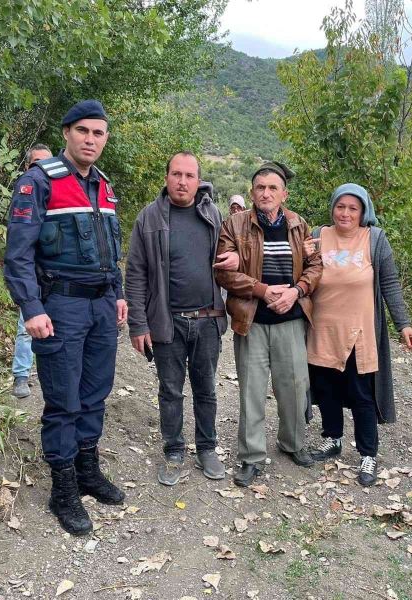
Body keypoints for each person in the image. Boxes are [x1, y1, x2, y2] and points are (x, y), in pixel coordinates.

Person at [4, 100, 128, 536]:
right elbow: (17, 256)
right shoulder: (38, 183)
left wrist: (116, 294)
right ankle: (63, 489)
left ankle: (88, 471)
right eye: (83, 132)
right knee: (64, 400)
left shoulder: (105, 188)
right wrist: (32, 308)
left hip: (100, 307)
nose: (91, 139)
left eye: (98, 133)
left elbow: (111, 252)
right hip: (60, 308)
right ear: (67, 134)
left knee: (96, 393)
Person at [125, 152, 239, 486]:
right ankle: (174, 450)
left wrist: (234, 257)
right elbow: (135, 274)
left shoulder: (212, 214)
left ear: (198, 180)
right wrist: (138, 323)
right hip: (167, 322)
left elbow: (228, 254)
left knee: (206, 388)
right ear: (166, 177)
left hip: (207, 320)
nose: (182, 181)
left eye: (189, 175)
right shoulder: (148, 218)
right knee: (171, 390)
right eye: (176, 174)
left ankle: (207, 447)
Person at [215, 161, 323, 487]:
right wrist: (262, 290)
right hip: (253, 321)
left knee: (294, 387)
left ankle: (293, 443)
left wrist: (296, 292)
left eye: (272, 188)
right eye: (260, 187)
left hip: (291, 321)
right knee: (252, 391)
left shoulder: (299, 225)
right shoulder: (233, 225)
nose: (265, 193)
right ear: (252, 192)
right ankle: (251, 457)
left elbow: (316, 266)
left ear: (283, 194)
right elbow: (223, 272)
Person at [305, 184, 412, 486]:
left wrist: (403, 324)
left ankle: (368, 453)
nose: (345, 213)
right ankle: (333, 439)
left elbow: (390, 285)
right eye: (340, 206)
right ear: (332, 208)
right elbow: (302, 276)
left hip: (359, 332)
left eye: (353, 208)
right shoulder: (317, 236)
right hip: (322, 329)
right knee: (326, 389)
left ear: (363, 212)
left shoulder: (374, 239)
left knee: (361, 394)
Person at [12, 144, 53, 399]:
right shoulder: (24, 191)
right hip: (31, 274)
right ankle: (21, 375)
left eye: (46, 162)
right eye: (36, 162)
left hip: (56, 275)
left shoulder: (60, 191)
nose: (41, 167)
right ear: (28, 165)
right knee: (25, 325)